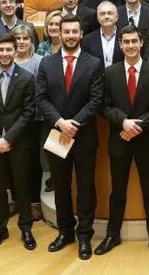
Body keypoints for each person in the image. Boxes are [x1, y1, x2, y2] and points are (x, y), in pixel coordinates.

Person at [95, 26, 149, 259]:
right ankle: (112, 235)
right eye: (126, 42)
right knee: (117, 191)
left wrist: (137, 126)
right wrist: (123, 123)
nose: (130, 46)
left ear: (141, 43)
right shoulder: (109, 73)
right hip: (120, 140)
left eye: (134, 41)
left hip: (146, 141)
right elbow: (103, 105)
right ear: (120, 45)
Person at [36, 14, 104, 260]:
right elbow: (41, 99)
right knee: (61, 186)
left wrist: (73, 124)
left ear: (81, 34)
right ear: (59, 34)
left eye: (75, 32)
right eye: (67, 32)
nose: (71, 36)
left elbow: (96, 100)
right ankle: (65, 232)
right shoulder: (46, 64)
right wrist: (60, 122)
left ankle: (84, 234)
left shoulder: (94, 63)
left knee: (86, 187)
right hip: (56, 134)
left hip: (84, 136)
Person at [0, 35, 37, 250]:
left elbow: (29, 112)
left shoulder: (27, 78)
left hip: (19, 143)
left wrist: (9, 138)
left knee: (22, 187)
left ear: (15, 51)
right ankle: (0, 228)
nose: (4, 54)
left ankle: (26, 229)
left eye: (8, 50)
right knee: (0, 189)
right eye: (0, 50)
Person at [0, 25, 45, 219]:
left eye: (26, 38)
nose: (22, 42)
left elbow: (42, 91)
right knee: (11, 163)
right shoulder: (2, 60)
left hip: (33, 119)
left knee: (33, 162)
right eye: (17, 38)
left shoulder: (39, 62)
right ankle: (17, 200)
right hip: (8, 121)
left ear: (32, 41)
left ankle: (34, 202)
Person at [82, 1, 124, 72]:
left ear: (117, 17)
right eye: (102, 14)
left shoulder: (125, 37)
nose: (106, 16)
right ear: (97, 18)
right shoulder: (87, 40)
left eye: (110, 13)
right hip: (96, 81)